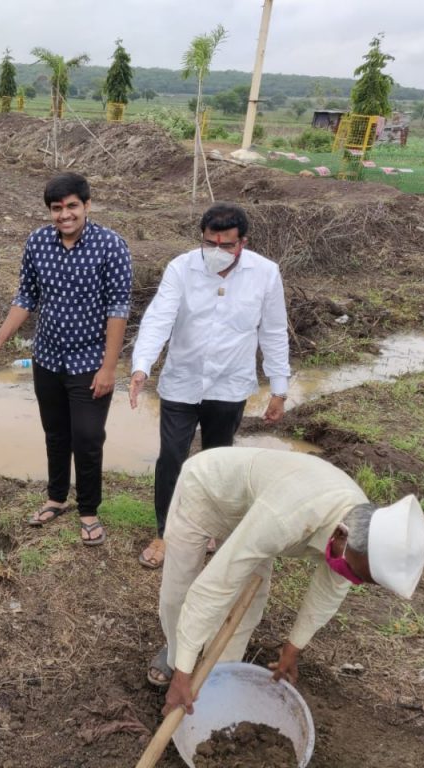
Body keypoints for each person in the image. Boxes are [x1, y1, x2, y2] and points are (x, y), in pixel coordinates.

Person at [148, 446, 424, 719]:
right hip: (209, 491)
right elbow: (216, 585)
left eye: (360, 579)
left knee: (249, 602)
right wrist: (183, 673)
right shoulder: (290, 515)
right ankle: (176, 659)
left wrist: (292, 648)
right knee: (179, 592)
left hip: (258, 509)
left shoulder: (360, 532)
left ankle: (216, 679)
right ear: (342, 536)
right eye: (354, 571)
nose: (349, 578)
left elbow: (328, 592)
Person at [129, 202, 290, 570]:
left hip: (229, 384)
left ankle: (210, 527)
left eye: (226, 245)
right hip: (181, 381)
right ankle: (164, 533)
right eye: (209, 243)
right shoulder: (181, 268)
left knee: (219, 459)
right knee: (172, 457)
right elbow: (159, 317)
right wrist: (142, 366)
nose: (217, 252)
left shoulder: (265, 273)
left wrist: (279, 389)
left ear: (242, 243)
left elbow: (274, 331)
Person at [0, 172, 132, 545]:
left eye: (72, 206)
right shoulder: (38, 242)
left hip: (90, 361)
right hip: (47, 358)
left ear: (87, 205)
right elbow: (26, 297)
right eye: (57, 209)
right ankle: (57, 497)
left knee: (88, 436)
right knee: (56, 433)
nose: (65, 215)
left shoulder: (111, 246)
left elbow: (118, 310)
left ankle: (89, 510)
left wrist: (109, 368)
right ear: (50, 211)